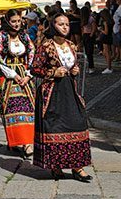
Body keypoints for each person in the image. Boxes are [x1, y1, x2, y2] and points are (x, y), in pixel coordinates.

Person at [31, 13, 92, 182]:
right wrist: (52, 73)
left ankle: (77, 166)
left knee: (77, 122)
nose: (65, 27)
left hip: (70, 91)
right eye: (60, 24)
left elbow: (74, 64)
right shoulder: (46, 46)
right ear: (53, 26)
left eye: (66, 24)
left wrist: (75, 71)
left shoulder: (72, 45)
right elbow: (34, 69)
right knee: (55, 126)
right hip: (52, 92)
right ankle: (56, 166)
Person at [0, 9, 36, 157]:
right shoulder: (1, 37)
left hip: (24, 75)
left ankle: (28, 142)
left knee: (28, 108)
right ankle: (17, 142)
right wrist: (14, 75)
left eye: (19, 21)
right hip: (8, 77)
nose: (17, 24)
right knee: (12, 109)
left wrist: (29, 74)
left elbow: (32, 53)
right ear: (7, 21)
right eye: (13, 22)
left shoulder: (24, 36)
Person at [81, 6, 97, 74]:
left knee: (89, 52)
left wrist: (91, 35)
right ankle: (89, 66)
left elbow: (94, 27)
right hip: (85, 35)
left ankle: (91, 67)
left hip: (89, 35)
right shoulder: (83, 19)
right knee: (86, 52)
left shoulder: (91, 18)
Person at [99, 8, 114, 74]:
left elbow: (106, 32)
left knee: (107, 53)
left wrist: (100, 30)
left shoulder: (105, 22)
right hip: (109, 37)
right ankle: (109, 65)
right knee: (106, 53)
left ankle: (109, 67)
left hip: (106, 38)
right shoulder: (111, 21)